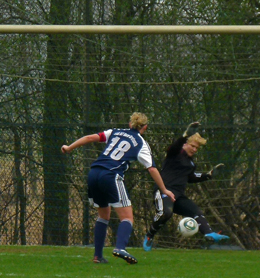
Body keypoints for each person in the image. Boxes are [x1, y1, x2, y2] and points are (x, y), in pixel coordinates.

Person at [61, 112, 175, 264]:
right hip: (111, 176)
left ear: (130, 124)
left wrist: (69, 148)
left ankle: (98, 256)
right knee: (127, 217)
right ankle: (120, 248)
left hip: (93, 173)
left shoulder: (114, 132)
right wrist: (164, 190)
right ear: (145, 128)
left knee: (103, 216)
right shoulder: (141, 143)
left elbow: (89, 138)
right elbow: (152, 169)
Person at [143, 121, 229, 251]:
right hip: (164, 191)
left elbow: (190, 177)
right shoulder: (175, 154)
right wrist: (186, 134)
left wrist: (208, 175)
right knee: (166, 213)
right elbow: (173, 147)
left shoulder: (191, 163)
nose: (194, 149)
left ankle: (209, 234)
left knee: (195, 211)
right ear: (185, 144)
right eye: (193, 146)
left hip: (178, 195)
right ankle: (149, 236)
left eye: (197, 148)